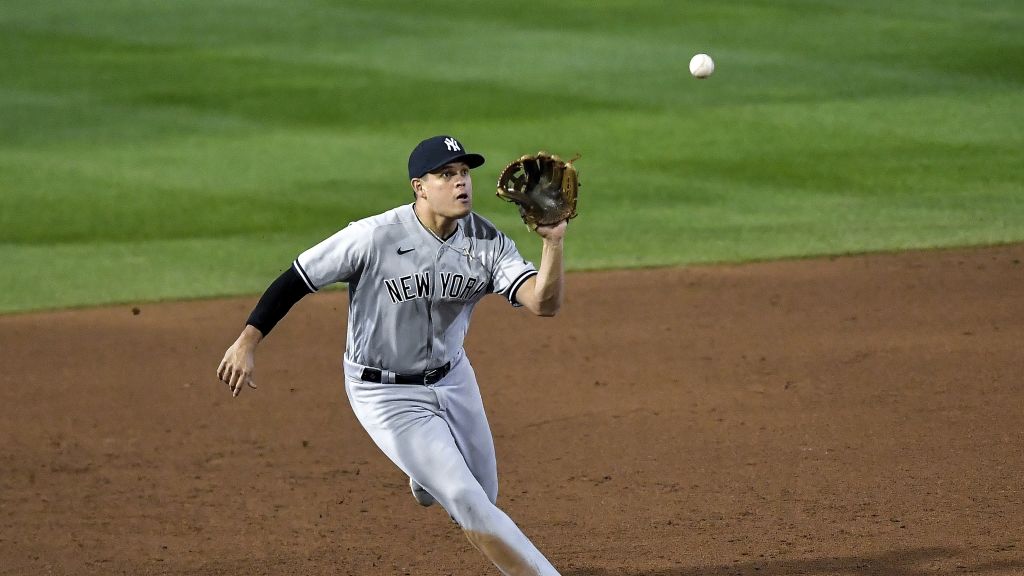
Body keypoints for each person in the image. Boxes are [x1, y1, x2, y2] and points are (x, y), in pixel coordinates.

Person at [216, 135, 566, 575]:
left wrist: (552, 243)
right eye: (446, 175)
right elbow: (298, 277)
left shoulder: (487, 241)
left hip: (453, 378)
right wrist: (248, 340)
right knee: (466, 499)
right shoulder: (373, 236)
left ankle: (423, 474)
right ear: (419, 187)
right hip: (384, 392)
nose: (461, 184)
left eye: (464, 173)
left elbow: (543, 304)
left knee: (484, 495)